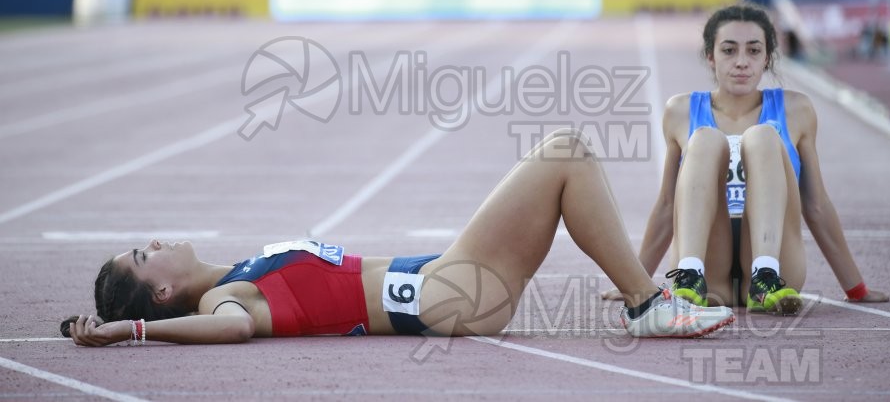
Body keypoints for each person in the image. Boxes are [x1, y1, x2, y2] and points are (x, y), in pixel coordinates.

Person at [62, 131, 735, 347]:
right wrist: (132, 333)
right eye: (145, 254)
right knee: (563, 152)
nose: (154, 240)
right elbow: (236, 332)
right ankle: (647, 300)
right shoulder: (226, 299)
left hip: (445, 276)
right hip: (448, 297)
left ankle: (644, 293)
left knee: (568, 160)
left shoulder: (235, 271)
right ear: (163, 288)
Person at [603, 2, 889, 313]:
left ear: (767, 58)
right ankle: (690, 273)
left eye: (753, 51)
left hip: (779, 261)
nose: (741, 62)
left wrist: (856, 288)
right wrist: (634, 282)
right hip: (712, 264)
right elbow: (668, 205)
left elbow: (816, 205)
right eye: (729, 51)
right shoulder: (681, 112)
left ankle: (764, 276)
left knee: (763, 135)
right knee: (705, 139)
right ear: (711, 56)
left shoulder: (797, 111)